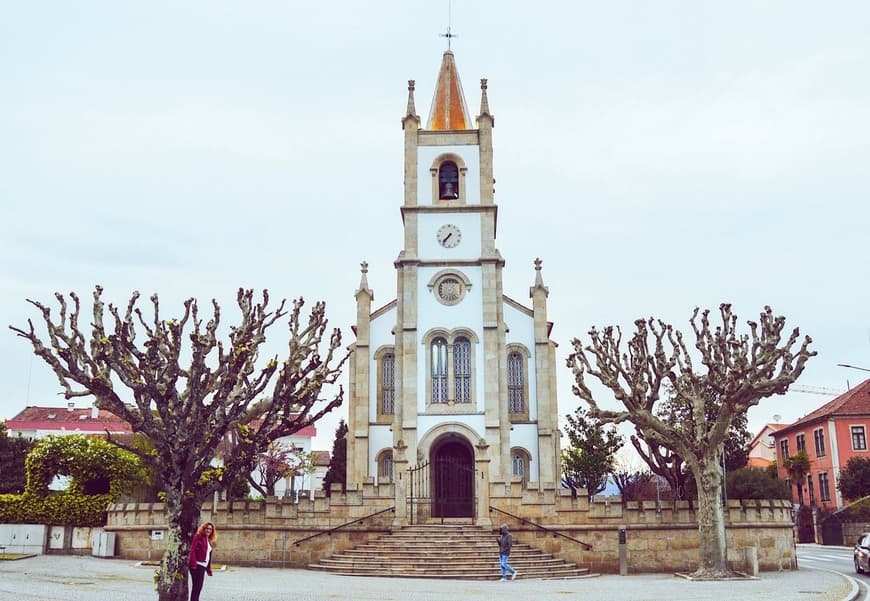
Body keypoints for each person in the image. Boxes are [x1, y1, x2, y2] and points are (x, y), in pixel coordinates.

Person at [188, 522, 216, 601]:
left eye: (210, 529)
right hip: (197, 565)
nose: (208, 530)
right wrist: (193, 563)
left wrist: (208, 569)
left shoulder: (209, 540)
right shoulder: (198, 536)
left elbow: (208, 556)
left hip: (203, 566)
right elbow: (192, 549)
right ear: (203, 529)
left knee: (199, 587)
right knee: (197, 586)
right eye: (207, 528)